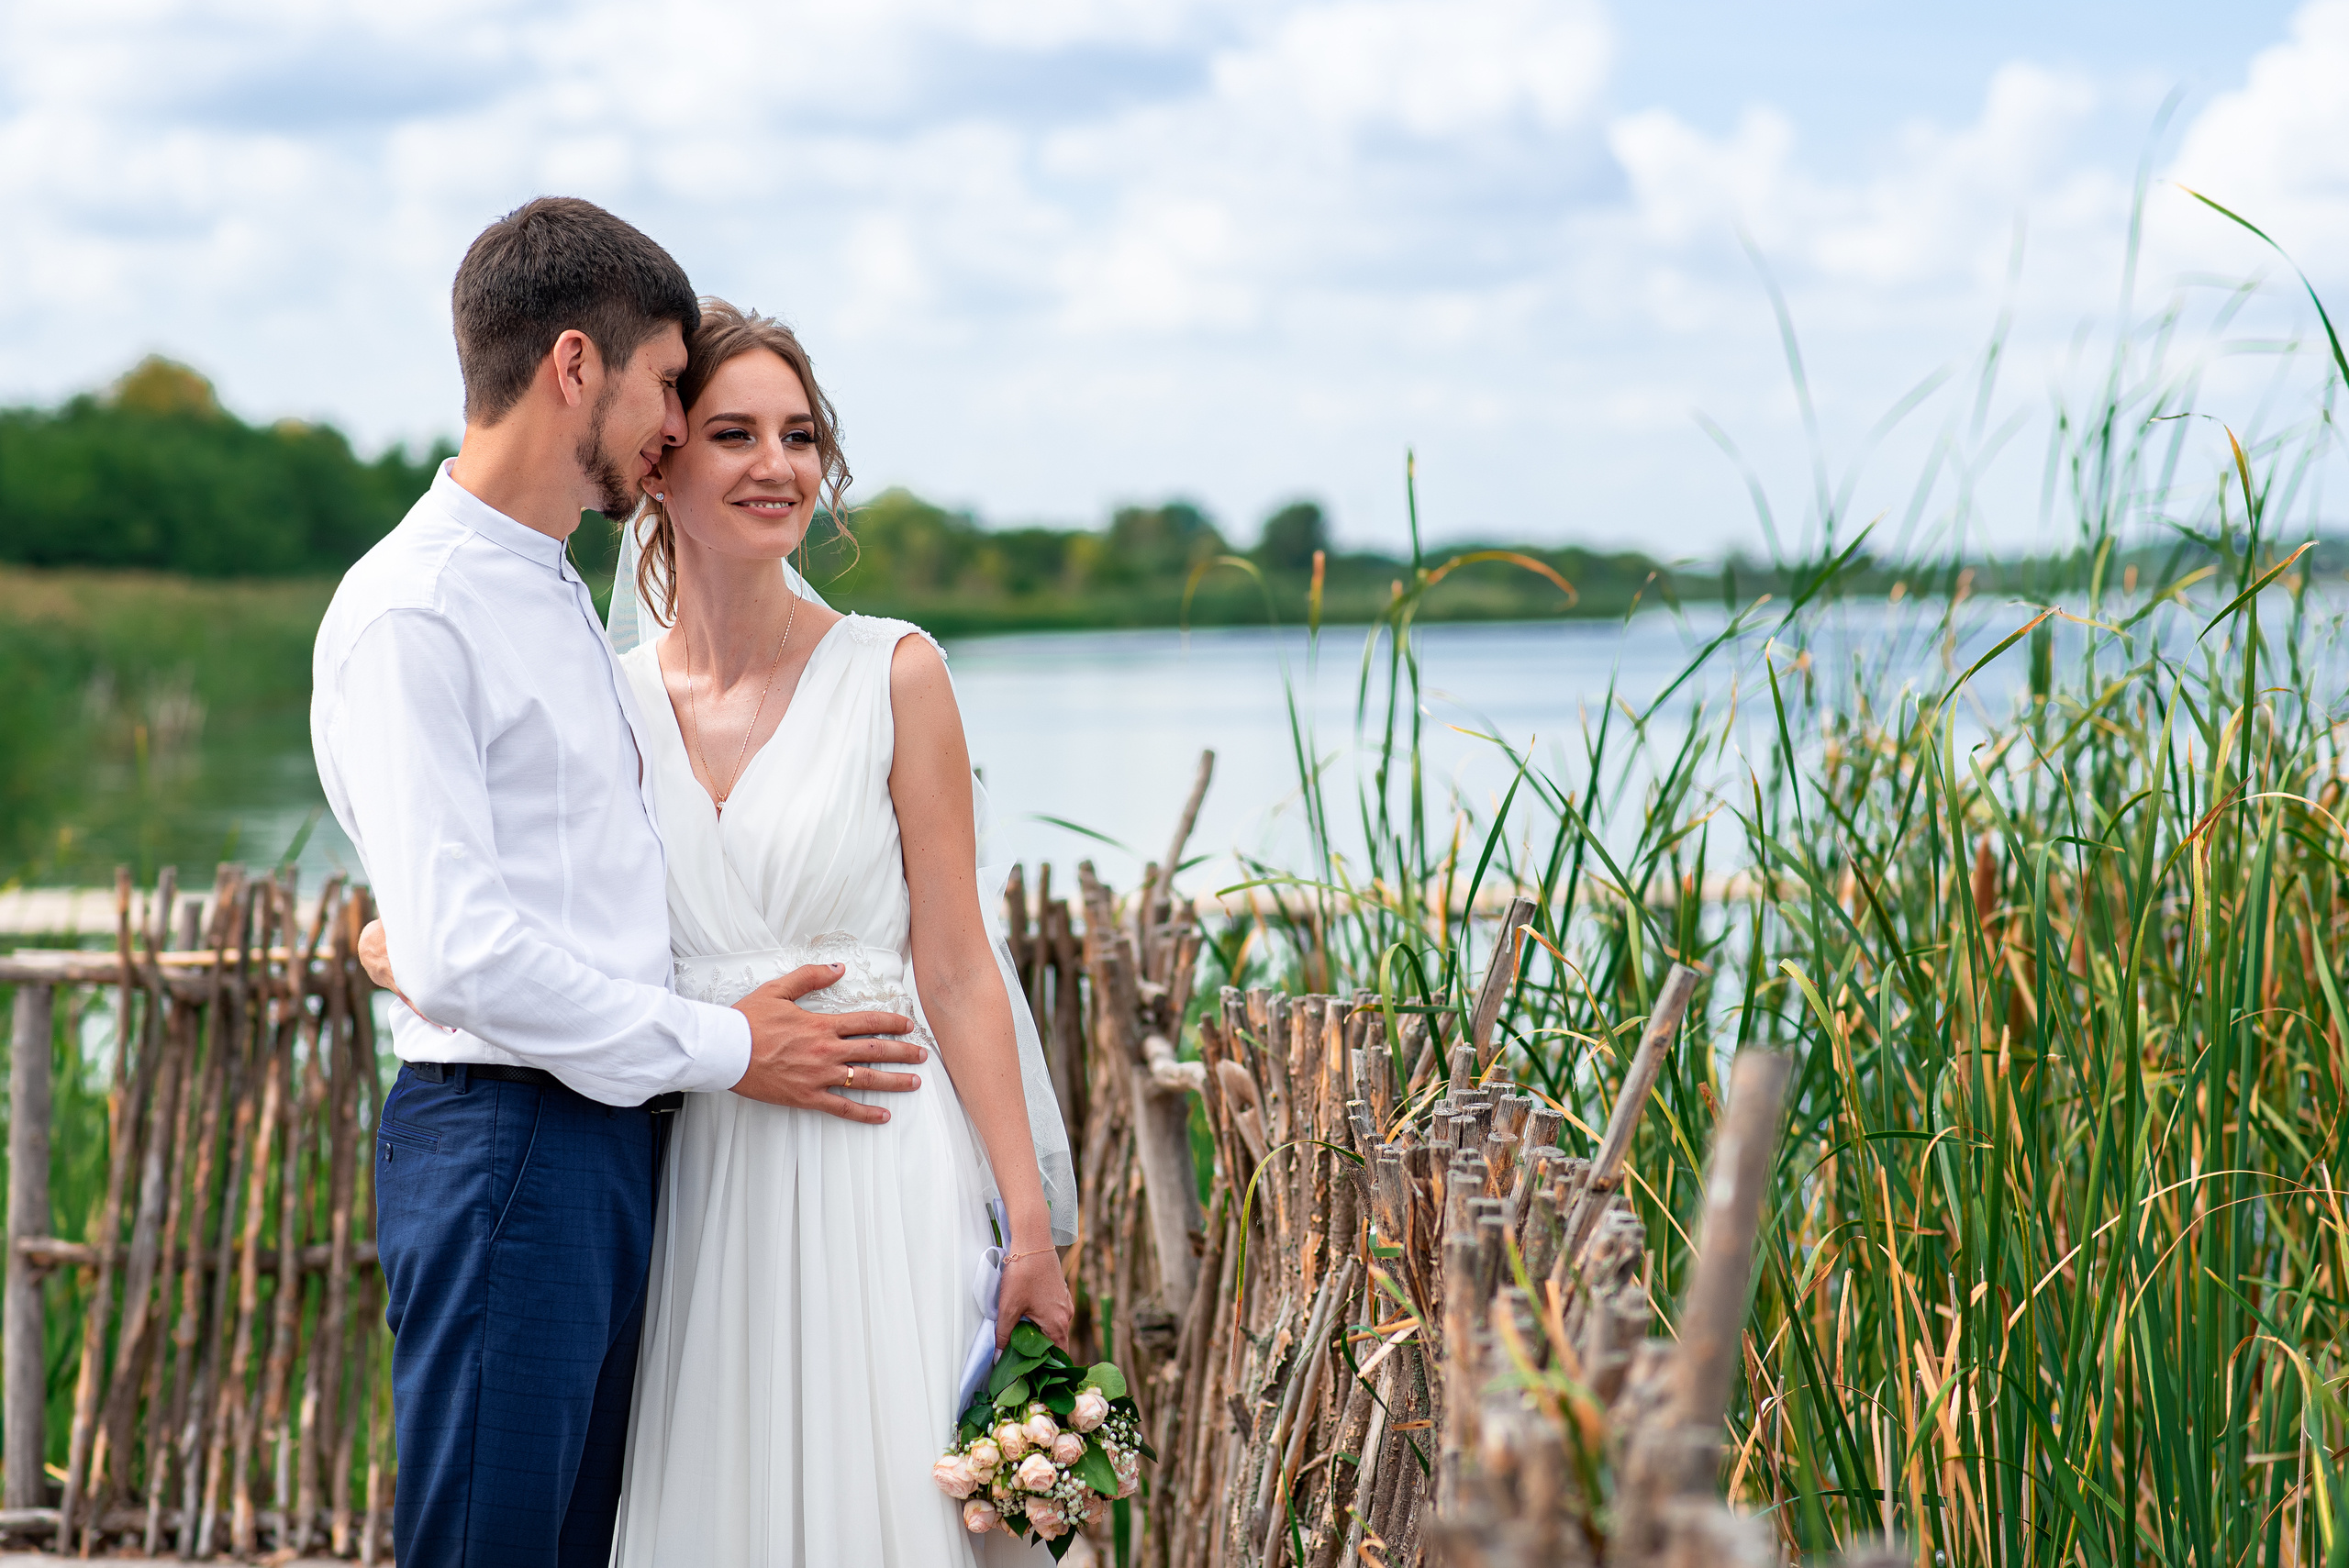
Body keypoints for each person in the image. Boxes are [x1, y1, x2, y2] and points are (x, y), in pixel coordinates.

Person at [312, 197, 933, 1568]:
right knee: (492, 1545)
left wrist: (385, 941)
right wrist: (729, 1043)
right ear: (576, 365)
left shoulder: (553, 593)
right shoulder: (417, 609)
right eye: (668, 385)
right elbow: (468, 952)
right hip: (506, 1148)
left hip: (606, 1144)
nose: (672, 423)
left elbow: (546, 895)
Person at [599, 299, 1076, 1565]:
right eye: (734, 431)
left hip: (882, 1159)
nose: (777, 465)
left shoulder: (898, 672)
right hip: (699, 1176)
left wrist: (1027, 1227)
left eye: (801, 435)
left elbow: (960, 964)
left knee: (906, 1503)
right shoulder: (609, 703)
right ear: (661, 462)